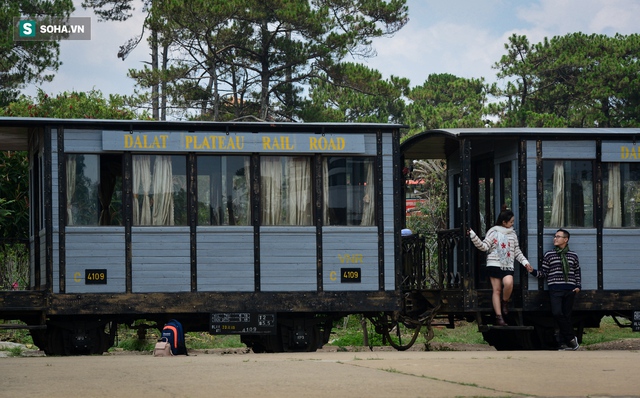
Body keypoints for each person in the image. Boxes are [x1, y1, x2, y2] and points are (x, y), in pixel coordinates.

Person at [469, 209, 531, 326]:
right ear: (504, 222)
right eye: (511, 222)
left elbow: (516, 251)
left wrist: (525, 262)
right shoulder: (493, 232)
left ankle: (505, 302)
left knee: (508, 283)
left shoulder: (512, 234)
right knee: (496, 290)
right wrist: (473, 236)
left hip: (507, 264)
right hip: (494, 264)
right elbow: (484, 247)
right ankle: (499, 317)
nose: (512, 224)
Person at [527, 228, 581, 350]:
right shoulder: (549, 254)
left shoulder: (573, 255)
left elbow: (577, 271)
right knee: (557, 313)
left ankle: (564, 343)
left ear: (565, 240)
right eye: (555, 236)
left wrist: (578, 286)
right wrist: (532, 271)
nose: (555, 239)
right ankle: (571, 338)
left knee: (566, 316)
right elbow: (544, 273)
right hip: (555, 289)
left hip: (570, 289)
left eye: (558, 236)